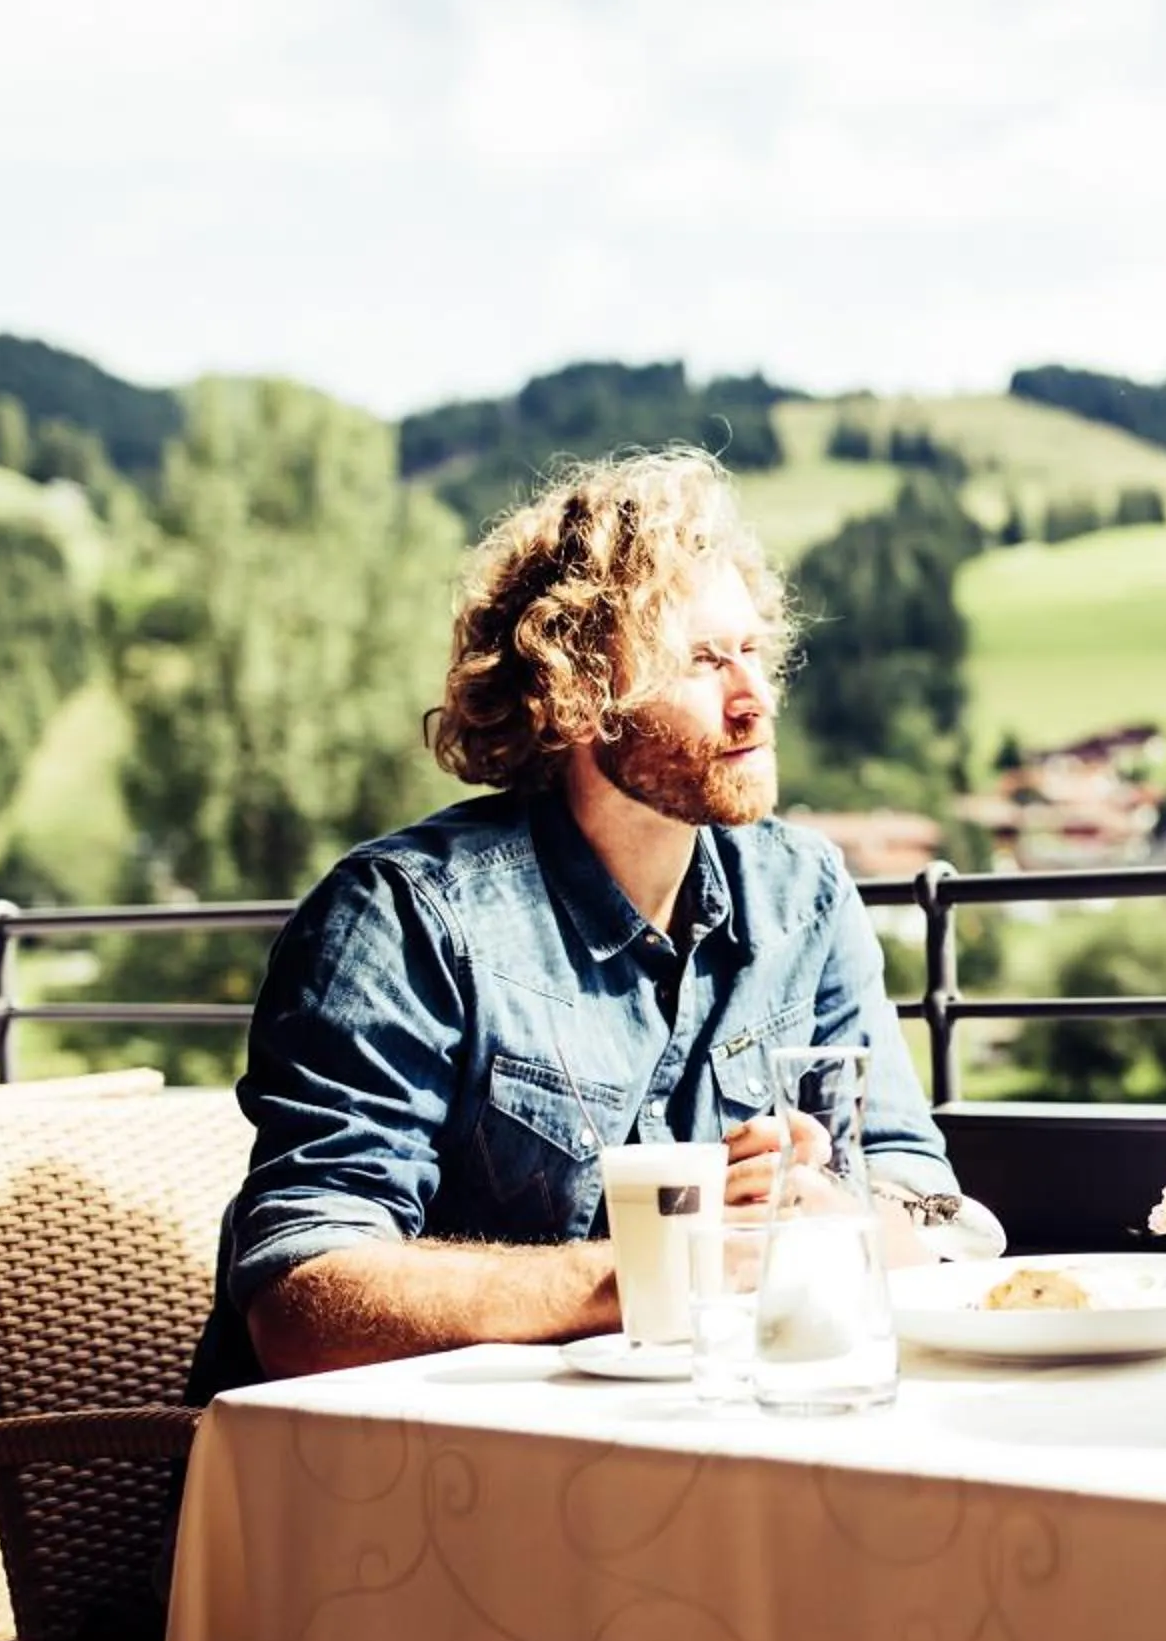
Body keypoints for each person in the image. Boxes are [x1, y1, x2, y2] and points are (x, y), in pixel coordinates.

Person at [191, 448, 998, 1397]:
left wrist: (828, 1216)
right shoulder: (404, 917)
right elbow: (301, 1299)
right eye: (701, 661)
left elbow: (945, 1218)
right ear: (575, 696)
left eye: (750, 651)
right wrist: (675, 1265)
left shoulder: (804, 894)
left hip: (688, 1451)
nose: (754, 698)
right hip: (400, 1488)